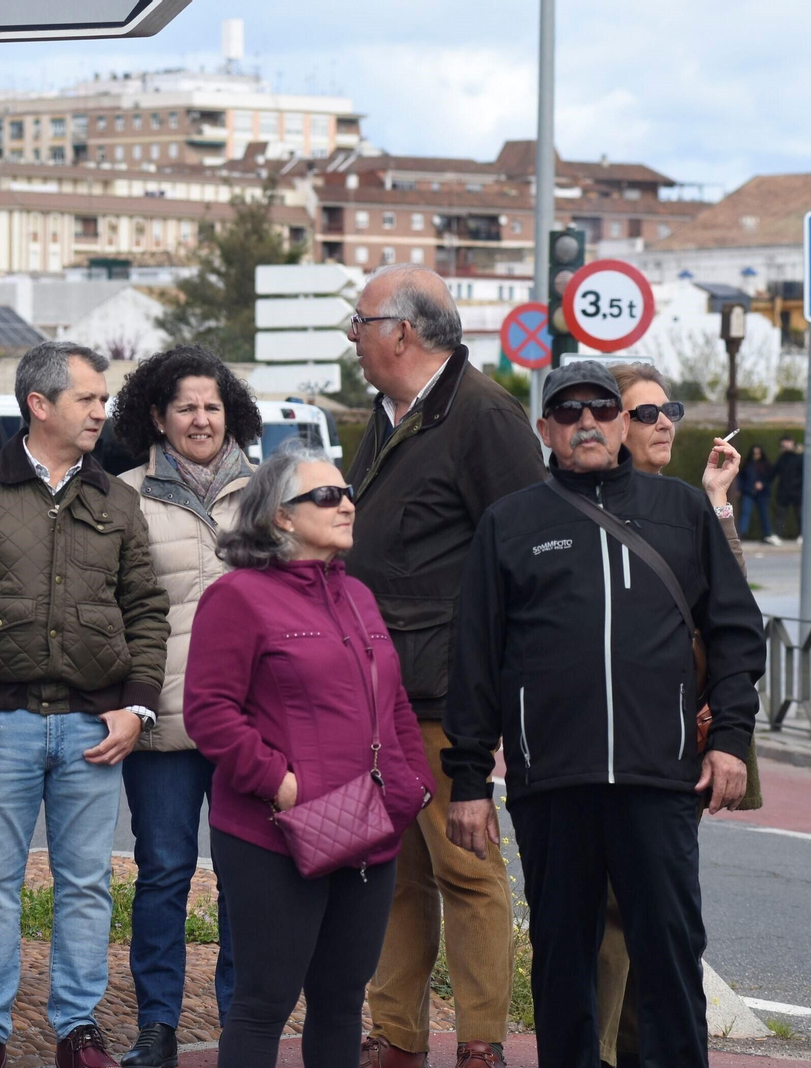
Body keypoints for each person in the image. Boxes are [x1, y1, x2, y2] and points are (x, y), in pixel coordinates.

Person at [443, 361, 765, 1068]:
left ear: (622, 422)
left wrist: (732, 738)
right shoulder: (510, 522)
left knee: (672, 951)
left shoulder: (681, 511)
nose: (586, 422)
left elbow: (738, 632)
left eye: (601, 408)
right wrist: (468, 780)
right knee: (562, 958)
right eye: (568, 411)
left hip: (660, 778)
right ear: (546, 429)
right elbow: (474, 659)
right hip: (553, 782)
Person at [0, 341, 169, 1068]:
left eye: (102, 397)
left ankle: (77, 1030)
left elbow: (147, 611)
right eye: (88, 398)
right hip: (0, 726)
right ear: (39, 404)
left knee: (86, 886)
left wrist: (136, 706)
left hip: (95, 727)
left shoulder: (117, 499)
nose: (101, 410)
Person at [345, 264, 545, 1068]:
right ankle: (396, 1034)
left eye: (358, 323)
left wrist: (494, 691)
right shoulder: (390, 412)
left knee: (465, 870)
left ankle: (481, 1043)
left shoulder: (485, 416)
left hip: (440, 691)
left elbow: (526, 557)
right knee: (392, 873)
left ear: (401, 331)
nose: (352, 339)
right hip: (374, 685)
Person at [183, 446, 435, 1068]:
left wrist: (408, 787)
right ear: (281, 518)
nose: (346, 504)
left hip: (368, 825)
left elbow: (394, 701)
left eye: (348, 493)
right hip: (275, 831)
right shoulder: (238, 597)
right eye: (326, 496)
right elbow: (209, 714)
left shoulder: (358, 595)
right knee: (263, 1003)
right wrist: (283, 786)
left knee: (341, 1001)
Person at [596, 361, 757, 1066]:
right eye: (647, 412)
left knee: (659, 918)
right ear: (612, 426)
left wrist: (717, 499)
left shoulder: (681, 506)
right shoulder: (576, 507)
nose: (665, 422)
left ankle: (642, 1052)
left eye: (671, 411)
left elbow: (730, 610)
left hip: (675, 739)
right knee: (608, 917)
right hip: (598, 742)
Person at [108, 345, 253, 1066]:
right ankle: (157, 1024)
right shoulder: (123, 495)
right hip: (160, 718)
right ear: (158, 418)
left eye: (213, 406)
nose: (201, 419)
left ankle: (240, 1023)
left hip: (248, 723)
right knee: (162, 871)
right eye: (186, 407)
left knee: (243, 875)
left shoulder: (267, 493)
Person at [737, 444, 775, 543]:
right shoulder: (748, 464)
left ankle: (767, 534)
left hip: (762, 493)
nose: (756, 455)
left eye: (758, 453)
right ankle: (742, 533)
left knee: (764, 514)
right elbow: (741, 477)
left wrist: (763, 484)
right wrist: (741, 488)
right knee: (746, 512)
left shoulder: (765, 465)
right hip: (749, 492)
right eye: (754, 453)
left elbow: (770, 478)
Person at [773, 434, 803, 543]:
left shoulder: (800, 456)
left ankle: (802, 534)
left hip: (796, 491)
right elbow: (775, 471)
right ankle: (778, 535)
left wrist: (796, 484)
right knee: (780, 514)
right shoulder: (782, 457)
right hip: (784, 491)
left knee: (799, 514)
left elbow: (803, 474)